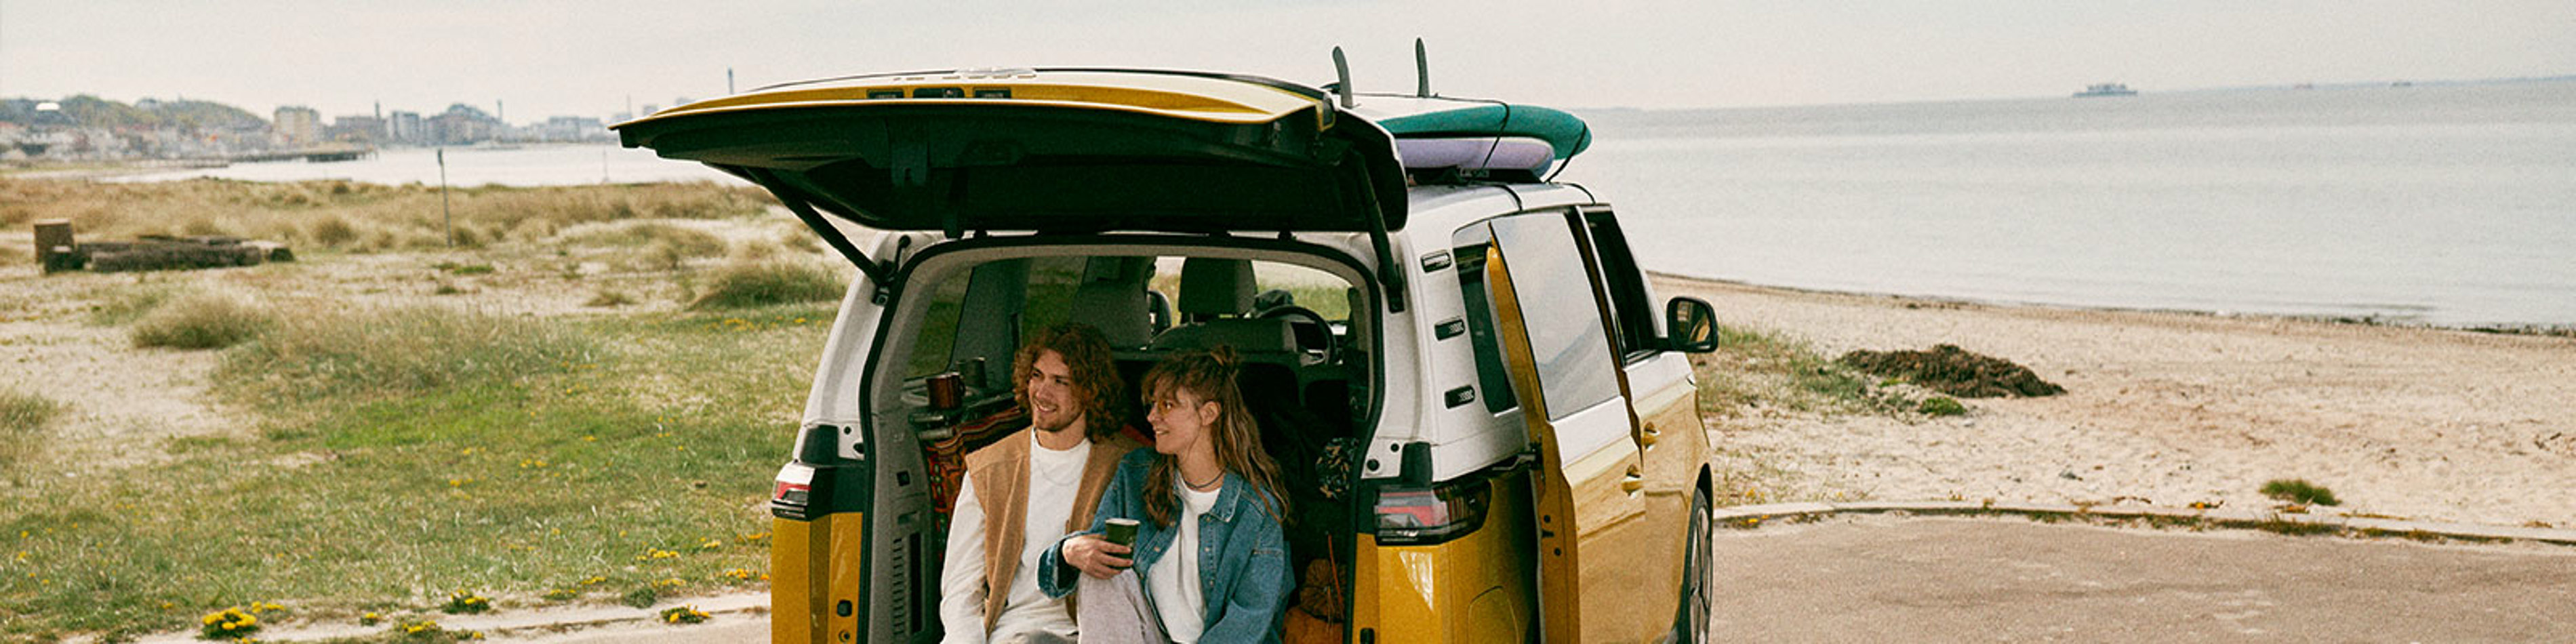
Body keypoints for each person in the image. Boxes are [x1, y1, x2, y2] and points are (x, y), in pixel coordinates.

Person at [1040, 348, 1293, 644]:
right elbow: (1099, 554)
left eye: (1167, 406)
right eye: (1152, 405)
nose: (1151, 417)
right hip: (1148, 636)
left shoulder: (1255, 510)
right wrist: (1068, 551)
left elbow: (1249, 621)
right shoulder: (1135, 474)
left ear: (1209, 414)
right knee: (1100, 570)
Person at [940, 323, 1144, 644]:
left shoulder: (1128, 464)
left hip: (1100, 632)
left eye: (1061, 382)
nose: (1043, 393)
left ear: (1091, 391)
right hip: (1015, 634)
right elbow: (961, 588)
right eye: (1037, 376)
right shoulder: (990, 468)